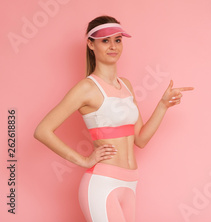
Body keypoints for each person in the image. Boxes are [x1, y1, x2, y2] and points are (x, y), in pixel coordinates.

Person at [33, 15, 194, 221]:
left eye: (117, 40)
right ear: (91, 44)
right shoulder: (87, 88)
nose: (113, 46)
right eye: (105, 40)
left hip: (131, 183)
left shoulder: (126, 85)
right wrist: (83, 160)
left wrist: (163, 105)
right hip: (102, 183)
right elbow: (42, 130)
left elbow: (140, 139)